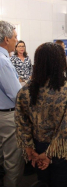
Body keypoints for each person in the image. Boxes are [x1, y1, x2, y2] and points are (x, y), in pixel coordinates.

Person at [15, 43, 67, 187]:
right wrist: (48, 155)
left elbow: (21, 123)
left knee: (44, 183)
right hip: (62, 153)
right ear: (60, 63)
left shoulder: (26, 90)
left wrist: (30, 150)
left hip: (37, 149)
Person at [0, 21, 24, 187]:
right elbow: (16, 94)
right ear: (7, 39)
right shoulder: (3, 61)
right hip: (7, 115)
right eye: (15, 37)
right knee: (13, 161)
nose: (17, 40)